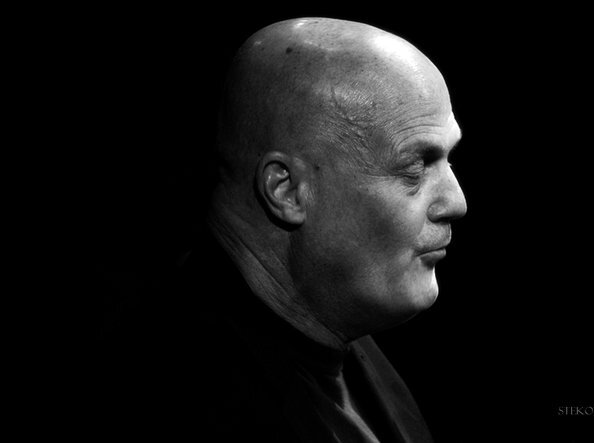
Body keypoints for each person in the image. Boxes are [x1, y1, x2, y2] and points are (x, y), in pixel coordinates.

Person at [96, 17, 466, 442]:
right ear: (286, 190)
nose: (457, 201)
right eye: (415, 167)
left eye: (449, 159)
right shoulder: (171, 397)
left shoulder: (338, 335)